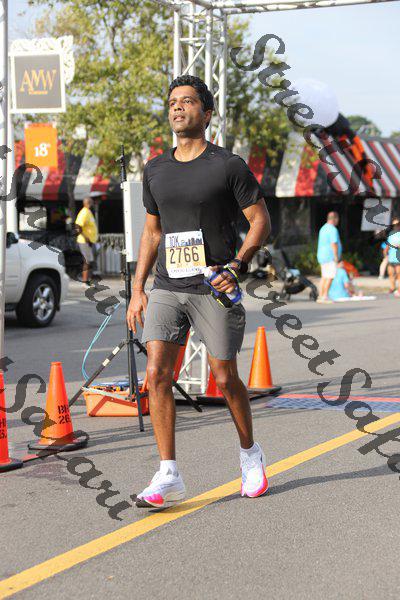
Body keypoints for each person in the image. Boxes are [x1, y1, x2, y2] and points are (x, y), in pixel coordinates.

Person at [127, 75, 271, 508]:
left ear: (206, 114)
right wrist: (137, 289)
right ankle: (168, 474)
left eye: (187, 101)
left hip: (213, 286)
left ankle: (250, 454)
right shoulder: (155, 169)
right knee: (157, 374)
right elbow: (152, 232)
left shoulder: (227, 165)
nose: (177, 107)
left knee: (224, 378)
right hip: (167, 286)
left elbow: (260, 221)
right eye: (173, 101)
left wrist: (237, 265)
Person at [317, 211, 342, 303]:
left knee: (324, 276)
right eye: (337, 219)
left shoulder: (323, 228)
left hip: (322, 256)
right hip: (329, 256)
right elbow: (333, 243)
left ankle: (320, 296)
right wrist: (336, 256)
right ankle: (325, 296)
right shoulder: (332, 229)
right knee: (330, 276)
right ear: (335, 219)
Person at [75, 196, 99, 285]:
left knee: (90, 261)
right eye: (91, 202)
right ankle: (85, 281)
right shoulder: (84, 212)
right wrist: (85, 237)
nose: (92, 204)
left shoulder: (88, 212)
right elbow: (78, 226)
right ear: (87, 203)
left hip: (90, 241)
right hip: (84, 241)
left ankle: (88, 280)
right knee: (87, 261)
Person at [387, 218, 400, 297]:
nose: (395, 226)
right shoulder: (391, 234)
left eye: (397, 224)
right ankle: (392, 287)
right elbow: (388, 244)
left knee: (399, 274)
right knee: (390, 273)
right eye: (394, 225)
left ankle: (399, 289)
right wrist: (385, 251)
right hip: (391, 257)